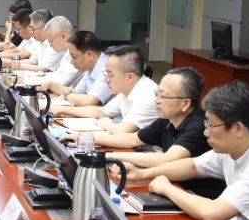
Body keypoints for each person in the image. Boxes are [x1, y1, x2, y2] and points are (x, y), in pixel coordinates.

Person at [129, 80, 249, 220]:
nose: (206, 132)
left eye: (211, 126)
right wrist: (143, 174)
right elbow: (193, 166)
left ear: (238, 128)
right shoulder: (237, 144)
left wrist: (167, 188)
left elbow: (213, 213)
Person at [74, 67, 209, 167]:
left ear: (185, 104)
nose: (157, 100)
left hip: (193, 193)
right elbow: (132, 139)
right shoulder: (166, 120)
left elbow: (167, 159)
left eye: (163, 96)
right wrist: (88, 139)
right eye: (157, 94)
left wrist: (106, 156)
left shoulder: (199, 127)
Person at [57, 45, 158, 133]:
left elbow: (121, 132)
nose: (106, 80)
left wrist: (106, 122)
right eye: (105, 74)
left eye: (110, 75)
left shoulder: (147, 95)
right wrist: (63, 110)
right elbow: (100, 112)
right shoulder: (126, 89)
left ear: (130, 77)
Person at [40, 30, 112, 106]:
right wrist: (51, 85)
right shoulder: (90, 68)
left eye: (74, 57)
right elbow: (76, 92)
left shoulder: (107, 69)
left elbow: (89, 101)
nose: (71, 62)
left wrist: (66, 95)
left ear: (89, 55)